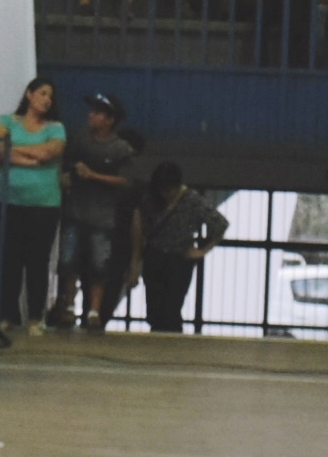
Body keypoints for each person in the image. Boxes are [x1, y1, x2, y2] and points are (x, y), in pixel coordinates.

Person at [0, 78, 66, 336]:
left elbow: (48, 153)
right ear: (29, 94)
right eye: (42, 93)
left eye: (50, 96)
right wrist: (29, 158)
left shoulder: (55, 128)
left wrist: (14, 151)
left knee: (37, 261)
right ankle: (7, 314)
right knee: (9, 259)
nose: (46, 100)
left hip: (43, 204)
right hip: (8, 200)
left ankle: (35, 316)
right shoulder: (6, 121)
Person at [61, 93, 139, 332]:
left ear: (110, 120)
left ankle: (94, 311)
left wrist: (93, 176)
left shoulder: (120, 148)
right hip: (75, 211)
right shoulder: (78, 139)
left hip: (103, 217)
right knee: (68, 262)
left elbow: (126, 181)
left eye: (97, 113)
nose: (91, 116)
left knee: (99, 265)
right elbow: (66, 167)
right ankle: (67, 306)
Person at [135, 162, 227, 333]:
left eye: (169, 190)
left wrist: (202, 251)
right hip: (154, 256)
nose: (164, 195)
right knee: (154, 307)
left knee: (171, 306)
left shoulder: (193, 200)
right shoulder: (151, 198)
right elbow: (140, 225)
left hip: (179, 259)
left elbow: (220, 224)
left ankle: (169, 339)